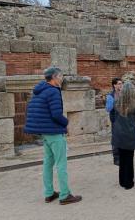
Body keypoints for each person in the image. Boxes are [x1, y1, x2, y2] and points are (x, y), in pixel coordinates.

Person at [24, 67, 82, 205]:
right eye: (61, 76)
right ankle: (65, 195)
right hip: (54, 132)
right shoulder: (53, 91)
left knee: (48, 163)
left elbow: (34, 111)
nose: (62, 79)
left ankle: (49, 193)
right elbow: (56, 114)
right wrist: (66, 123)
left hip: (45, 133)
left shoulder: (39, 91)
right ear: (55, 77)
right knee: (61, 164)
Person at [112, 82, 135, 190]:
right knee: (129, 158)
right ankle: (128, 182)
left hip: (119, 134)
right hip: (129, 135)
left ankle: (122, 181)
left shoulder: (116, 103)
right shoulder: (134, 107)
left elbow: (112, 117)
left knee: (122, 158)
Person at [106, 77, 123, 166]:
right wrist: (114, 101)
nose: (121, 85)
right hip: (115, 121)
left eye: (121, 83)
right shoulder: (110, 96)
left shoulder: (124, 94)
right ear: (114, 85)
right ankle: (116, 159)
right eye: (119, 84)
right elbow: (108, 109)